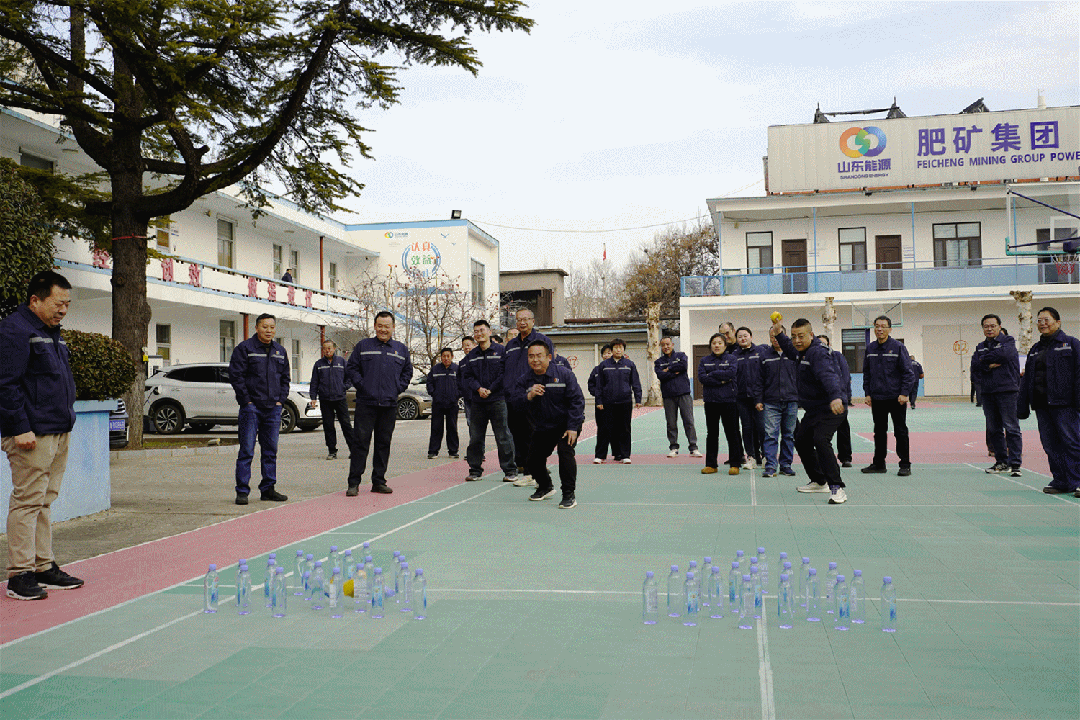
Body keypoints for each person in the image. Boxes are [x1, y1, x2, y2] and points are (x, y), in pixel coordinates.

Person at [0, 271, 84, 600]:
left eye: (67, 304)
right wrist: (19, 427)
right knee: (27, 502)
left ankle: (42, 566)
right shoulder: (14, 330)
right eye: (58, 303)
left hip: (57, 429)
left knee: (44, 501)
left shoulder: (51, 333)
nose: (63, 309)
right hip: (31, 433)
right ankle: (19, 575)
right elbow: (5, 384)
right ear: (35, 300)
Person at [772, 319, 847, 503]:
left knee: (821, 440)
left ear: (811, 335)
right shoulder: (801, 352)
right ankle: (819, 481)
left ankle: (836, 487)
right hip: (814, 409)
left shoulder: (817, 353)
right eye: (793, 336)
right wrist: (779, 333)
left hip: (832, 407)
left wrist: (835, 396)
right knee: (801, 440)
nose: (797, 340)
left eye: (801, 336)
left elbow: (828, 375)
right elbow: (789, 349)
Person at [344, 311, 413, 495]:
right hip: (366, 403)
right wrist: (362, 385)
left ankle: (379, 481)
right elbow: (352, 368)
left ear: (393, 327)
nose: (383, 329)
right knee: (360, 443)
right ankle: (354, 483)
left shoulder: (401, 349)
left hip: (389, 404)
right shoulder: (363, 346)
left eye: (387, 326)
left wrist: (398, 387)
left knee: (383, 444)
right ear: (375, 326)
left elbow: (407, 371)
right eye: (380, 326)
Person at [515, 340, 586, 509]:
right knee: (532, 460)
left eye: (539, 356)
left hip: (566, 424)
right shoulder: (525, 380)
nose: (535, 360)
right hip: (543, 426)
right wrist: (529, 395)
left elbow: (577, 401)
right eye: (531, 356)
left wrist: (572, 427)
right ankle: (545, 486)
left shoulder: (565, 374)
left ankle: (568, 495)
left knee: (565, 452)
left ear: (549, 357)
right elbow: (515, 403)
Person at [1017, 307, 1080, 496]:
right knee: (1050, 445)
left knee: (1072, 443)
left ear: (1058, 322)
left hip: (1065, 405)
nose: (1042, 323)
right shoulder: (1035, 350)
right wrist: (1022, 406)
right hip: (1042, 406)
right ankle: (1061, 481)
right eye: (1039, 320)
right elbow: (1027, 379)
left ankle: (1077, 481)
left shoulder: (1071, 344)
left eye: (1046, 320)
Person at [229, 313, 290, 505]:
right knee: (247, 450)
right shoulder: (245, 349)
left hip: (273, 409)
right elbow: (236, 376)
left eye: (272, 327)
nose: (269, 331)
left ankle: (268, 489)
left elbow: (285, 378)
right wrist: (246, 401)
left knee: (270, 451)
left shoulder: (280, 351)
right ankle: (242, 491)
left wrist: (280, 401)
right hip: (251, 409)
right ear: (256, 328)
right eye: (265, 327)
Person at [460, 319, 518, 482]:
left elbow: (504, 373)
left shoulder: (501, 351)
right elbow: (468, 376)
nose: (479, 334)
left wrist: (491, 389)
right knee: (476, 437)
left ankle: (510, 470)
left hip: (497, 400)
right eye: (476, 331)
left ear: (489, 332)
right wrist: (479, 389)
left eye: (482, 330)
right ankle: (475, 470)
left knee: (503, 436)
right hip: (477, 401)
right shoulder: (471, 355)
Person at [503, 309, 553, 487]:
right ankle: (525, 469)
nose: (522, 322)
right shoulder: (511, 344)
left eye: (526, 319)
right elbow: (504, 368)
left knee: (534, 434)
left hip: (534, 395)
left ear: (533, 321)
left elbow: (550, 366)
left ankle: (536, 471)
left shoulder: (542, 341)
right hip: (514, 397)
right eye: (519, 320)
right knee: (517, 435)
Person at [861, 316, 915, 477]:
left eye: (883, 326)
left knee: (900, 431)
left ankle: (905, 464)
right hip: (877, 398)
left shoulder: (898, 347)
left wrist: (904, 393)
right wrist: (867, 393)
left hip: (896, 398)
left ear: (890, 329)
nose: (879, 329)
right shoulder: (870, 348)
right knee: (879, 431)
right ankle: (879, 463)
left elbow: (908, 372)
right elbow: (867, 373)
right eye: (877, 326)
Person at [971, 315, 1023, 476]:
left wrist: (983, 360)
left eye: (993, 326)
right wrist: (987, 365)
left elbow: (1005, 355)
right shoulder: (980, 346)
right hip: (988, 393)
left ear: (999, 327)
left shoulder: (1008, 342)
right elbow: (975, 366)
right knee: (994, 429)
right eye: (986, 326)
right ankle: (1001, 461)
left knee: (1011, 427)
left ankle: (1015, 464)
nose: (989, 329)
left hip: (1007, 391)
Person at [697, 333, 742, 475]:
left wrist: (712, 374)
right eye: (714, 343)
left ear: (725, 345)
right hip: (711, 402)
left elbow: (731, 373)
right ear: (710, 345)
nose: (717, 345)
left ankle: (735, 464)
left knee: (732, 433)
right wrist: (721, 380)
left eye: (720, 343)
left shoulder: (732, 359)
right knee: (712, 434)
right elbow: (702, 378)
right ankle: (711, 465)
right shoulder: (704, 360)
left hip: (729, 401)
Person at [594, 338, 642, 463]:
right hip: (607, 402)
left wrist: (638, 399)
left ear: (624, 349)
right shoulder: (604, 365)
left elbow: (635, 382)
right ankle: (600, 455)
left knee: (624, 429)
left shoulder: (629, 364)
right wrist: (599, 401)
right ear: (612, 350)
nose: (618, 350)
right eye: (615, 347)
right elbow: (599, 385)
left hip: (625, 402)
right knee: (604, 429)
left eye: (620, 347)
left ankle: (625, 455)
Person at [759, 328, 798, 478]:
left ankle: (786, 465)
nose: (775, 339)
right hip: (771, 402)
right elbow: (759, 380)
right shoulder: (764, 356)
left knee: (789, 435)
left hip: (791, 400)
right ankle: (770, 466)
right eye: (772, 336)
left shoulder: (793, 354)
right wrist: (759, 400)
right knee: (770, 435)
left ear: (784, 336)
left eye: (778, 336)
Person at [309, 340, 356, 461]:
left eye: (329, 348)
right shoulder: (319, 364)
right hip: (325, 400)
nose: (327, 350)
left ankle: (354, 450)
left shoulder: (341, 362)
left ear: (334, 349)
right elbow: (314, 382)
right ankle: (332, 451)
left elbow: (349, 378)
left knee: (346, 425)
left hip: (340, 399)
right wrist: (313, 397)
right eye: (325, 348)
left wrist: (343, 387)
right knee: (328, 426)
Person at [655, 336, 701, 458]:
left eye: (668, 344)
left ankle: (693, 447)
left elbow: (683, 366)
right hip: (668, 396)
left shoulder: (681, 356)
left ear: (672, 344)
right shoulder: (658, 362)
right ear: (661, 347)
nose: (666, 347)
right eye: (663, 345)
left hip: (684, 394)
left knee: (689, 421)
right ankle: (673, 447)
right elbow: (661, 375)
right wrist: (674, 372)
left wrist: (668, 369)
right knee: (671, 423)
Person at [819, 335, 853, 468]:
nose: (821, 346)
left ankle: (845, 457)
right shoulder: (814, 358)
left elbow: (845, 377)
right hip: (821, 401)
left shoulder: (838, 356)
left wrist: (843, 397)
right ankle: (823, 457)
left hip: (838, 398)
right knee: (821, 431)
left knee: (843, 428)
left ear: (829, 344)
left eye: (824, 344)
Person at [734, 327, 765, 468]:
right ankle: (751, 456)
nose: (743, 338)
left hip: (759, 397)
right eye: (740, 336)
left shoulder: (760, 352)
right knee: (746, 428)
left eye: (745, 335)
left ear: (751, 337)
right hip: (741, 398)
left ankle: (766, 456)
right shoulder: (734, 355)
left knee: (762, 427)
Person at [426, 348, 461, 459]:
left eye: (448, 356)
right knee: (436, 427)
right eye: (444, 356)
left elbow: (462, 384)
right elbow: (429, 383)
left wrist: (457, 395)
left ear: (452, 357)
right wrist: (434, 393)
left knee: (452, 427)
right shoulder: (435, 369)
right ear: (441, 357)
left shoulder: (457, 369)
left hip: (452, 403)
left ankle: (453, 451)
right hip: (438, 403)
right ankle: (433, 451)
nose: (446, 358)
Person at [588, 345, 613, 463]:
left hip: (616, 403)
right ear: (602, 356)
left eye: (609, 353)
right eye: (605, 353)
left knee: (617, 428)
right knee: (602, 429)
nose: (607, 355)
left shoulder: (618, 368)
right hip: (601, 403)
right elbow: (591, 384)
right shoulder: (596, 370)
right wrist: (598, 395)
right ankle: (600, 455)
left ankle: (619, 453)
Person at [459, 335, 477, 425]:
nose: (466, 347)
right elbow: (459, 379)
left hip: (478, 396)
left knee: (479, 423)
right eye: (464, 345)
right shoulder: (462, 362)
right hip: (467, 397)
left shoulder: (479, 359)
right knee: (470, 422)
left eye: (468, 345)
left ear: (474, 345)